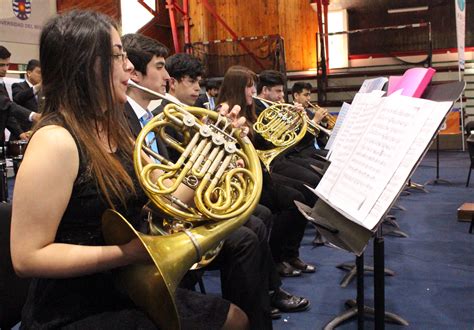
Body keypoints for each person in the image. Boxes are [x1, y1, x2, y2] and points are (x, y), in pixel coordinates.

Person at [10, 10, 249, 330]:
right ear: (84, 65)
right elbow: (27, 257)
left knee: (235, 319)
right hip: (73, 307)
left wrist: (213, 155)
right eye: (117, 55)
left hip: (125, 284)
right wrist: (128, 253)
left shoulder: (117, 130)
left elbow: (170, 201)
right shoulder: (55, 141)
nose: (129, 66)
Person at [152, 53, 310, 318]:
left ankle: (268, 291)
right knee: (257, 221)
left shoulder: (193, 114)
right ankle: (262, 297)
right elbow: (178, 165)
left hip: (204, 190)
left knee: (262, 215)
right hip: (183, 205)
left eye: (198, 82)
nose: (196, 88)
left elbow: (262, 144)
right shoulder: (170, 116)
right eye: (191, 81)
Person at [217, 65, 316, 280]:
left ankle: (289, 254)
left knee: (303, 192)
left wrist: (292, 122)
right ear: (237, 88)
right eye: (249, 87)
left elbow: (264, 142)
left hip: (260, 171)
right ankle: (277, 257)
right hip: (244, 180)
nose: (253, 91)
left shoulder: (248, 111)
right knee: (293, 200)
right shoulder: (224, 113)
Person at [0, 46, 35, 142]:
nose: (5, 69)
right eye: (1, 65)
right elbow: (7, 104)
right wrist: (32, 115)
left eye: (7, 65)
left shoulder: (1, 83)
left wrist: (20, 133)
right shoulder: (17, 86)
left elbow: (6, 112)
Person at [11, 59, 41, 135]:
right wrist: (37, 87)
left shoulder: (44, 91)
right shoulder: (18, 86)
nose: (41, 76)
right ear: (29, 73)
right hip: (22, 132)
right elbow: (18, 98)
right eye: (39, 72)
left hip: (39, 132)